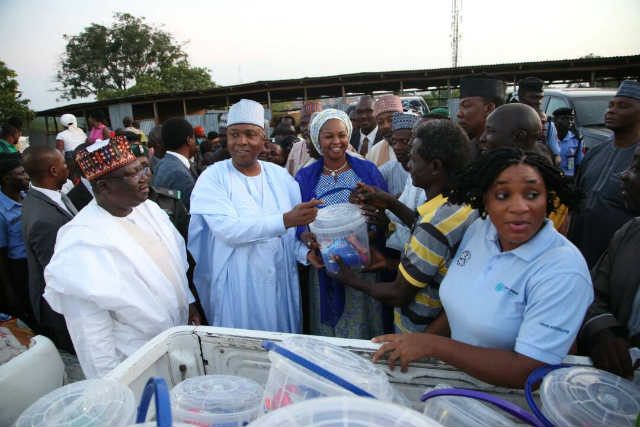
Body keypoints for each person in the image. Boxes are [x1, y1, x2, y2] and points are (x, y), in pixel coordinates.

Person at [372, 148, 593, 388]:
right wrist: (420, 341)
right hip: (455, 385)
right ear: (484, 198)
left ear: (548, 198)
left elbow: (530, 370)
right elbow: (463, 304)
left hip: (511, 404)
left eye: (532, 194)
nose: (519, 207)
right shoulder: (481, 230)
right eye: (502, 195)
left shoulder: (562, 271)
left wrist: (433, 346)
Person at [43, 136, 197, 378]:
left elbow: (174, 266)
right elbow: (92, 339)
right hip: (135, 359)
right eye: (133, 174)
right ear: (103, 186)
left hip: (176, 342)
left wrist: (188, 303)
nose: (146, 176)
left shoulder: (149, 209)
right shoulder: (81, 241)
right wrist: (112, 387)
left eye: (143, 168)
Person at [334, 120, 477, 333]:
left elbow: (398, 293)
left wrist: (352, 280)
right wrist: (391, 203)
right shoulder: (461, 205)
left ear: (436, 166)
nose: (408, 165)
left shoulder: (433, 226)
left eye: (414, 158)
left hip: (419, 338)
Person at [188, 99, 319, 333]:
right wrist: (286, 220)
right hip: (239, 287)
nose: (241, 142)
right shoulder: (213, 178)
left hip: (280, 285)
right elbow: (228, 231)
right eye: (234, 134)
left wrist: (306, 253)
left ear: (264, 138)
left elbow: (287, 239)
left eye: (250, 134)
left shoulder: (281, 178)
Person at [295, 109, 388, 339]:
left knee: (363, 323)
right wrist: (306, 236)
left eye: (342, 135)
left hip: (363, 263)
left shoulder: (367, 171)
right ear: (318, 140)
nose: (336, 142)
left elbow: (385, 211)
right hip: (327, 265)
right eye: (329, 136)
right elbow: (298, 218)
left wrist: (374, 227)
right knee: (330, 332)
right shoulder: (305, 177)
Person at [579, 143, 640, 379]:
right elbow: (592, 294)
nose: (624, 175)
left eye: (637, 169)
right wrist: (604, 334)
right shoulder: (629, 234)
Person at [569, 79, 640, 267]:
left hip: (623, 261)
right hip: (581, 255)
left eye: (623, 106)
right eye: (611, 105)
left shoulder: (637, 159)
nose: (611, 110)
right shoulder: (595, 153)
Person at [21, 146, 76, 352]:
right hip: (60, 310)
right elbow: (59, 274)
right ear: (53, 171)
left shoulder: (52, 195)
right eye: (63, 163)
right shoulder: (43, 219)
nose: (67, 167)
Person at [0, 154, 30, 321]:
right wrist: (8, 288)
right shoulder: (2, 211)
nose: (26, 177)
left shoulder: (26, 196)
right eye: (21, 173)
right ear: (6, 179)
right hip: (19, 267)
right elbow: (1, 254)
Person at [152, 118, 198, 210]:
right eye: (194, 138)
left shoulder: (162, 163)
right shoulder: (179, 174)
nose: (196, 142)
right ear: (189, 140)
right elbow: (192, 212)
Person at [456, 74, 504, 158]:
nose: (459, 114)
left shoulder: (512, 155)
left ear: (489, 108)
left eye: (466, 105)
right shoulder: (462, 152)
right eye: (459, 107)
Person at [518, 77, 561, 164]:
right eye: (533, 97)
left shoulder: (547, 124)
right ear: (521, 98)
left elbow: (556, 156)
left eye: (540, 97)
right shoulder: (507, 120)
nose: (538, 102)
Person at [378, 112, 420, 196]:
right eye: (394, 141)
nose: (397, 147)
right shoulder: (388, 169)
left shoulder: (426, 172)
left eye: (404, 141)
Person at [286, 101, 323, 175]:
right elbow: (288, 177)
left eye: (311, 122)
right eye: (303, 124)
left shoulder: (338, 146)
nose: (306, 128)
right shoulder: (296, 147)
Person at [366, 95, 404, 167]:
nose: (386, 126)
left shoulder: (416, 148)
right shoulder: (374, 153)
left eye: (391, 120)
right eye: (380, 122)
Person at [553, 107, 583, 177]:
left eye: (571, 119)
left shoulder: (576, 139)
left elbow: (579, 163)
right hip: (551, 178)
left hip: (568, 178)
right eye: (565, 118)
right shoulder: (549, 138)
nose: (569, 121)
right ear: (556, 120)